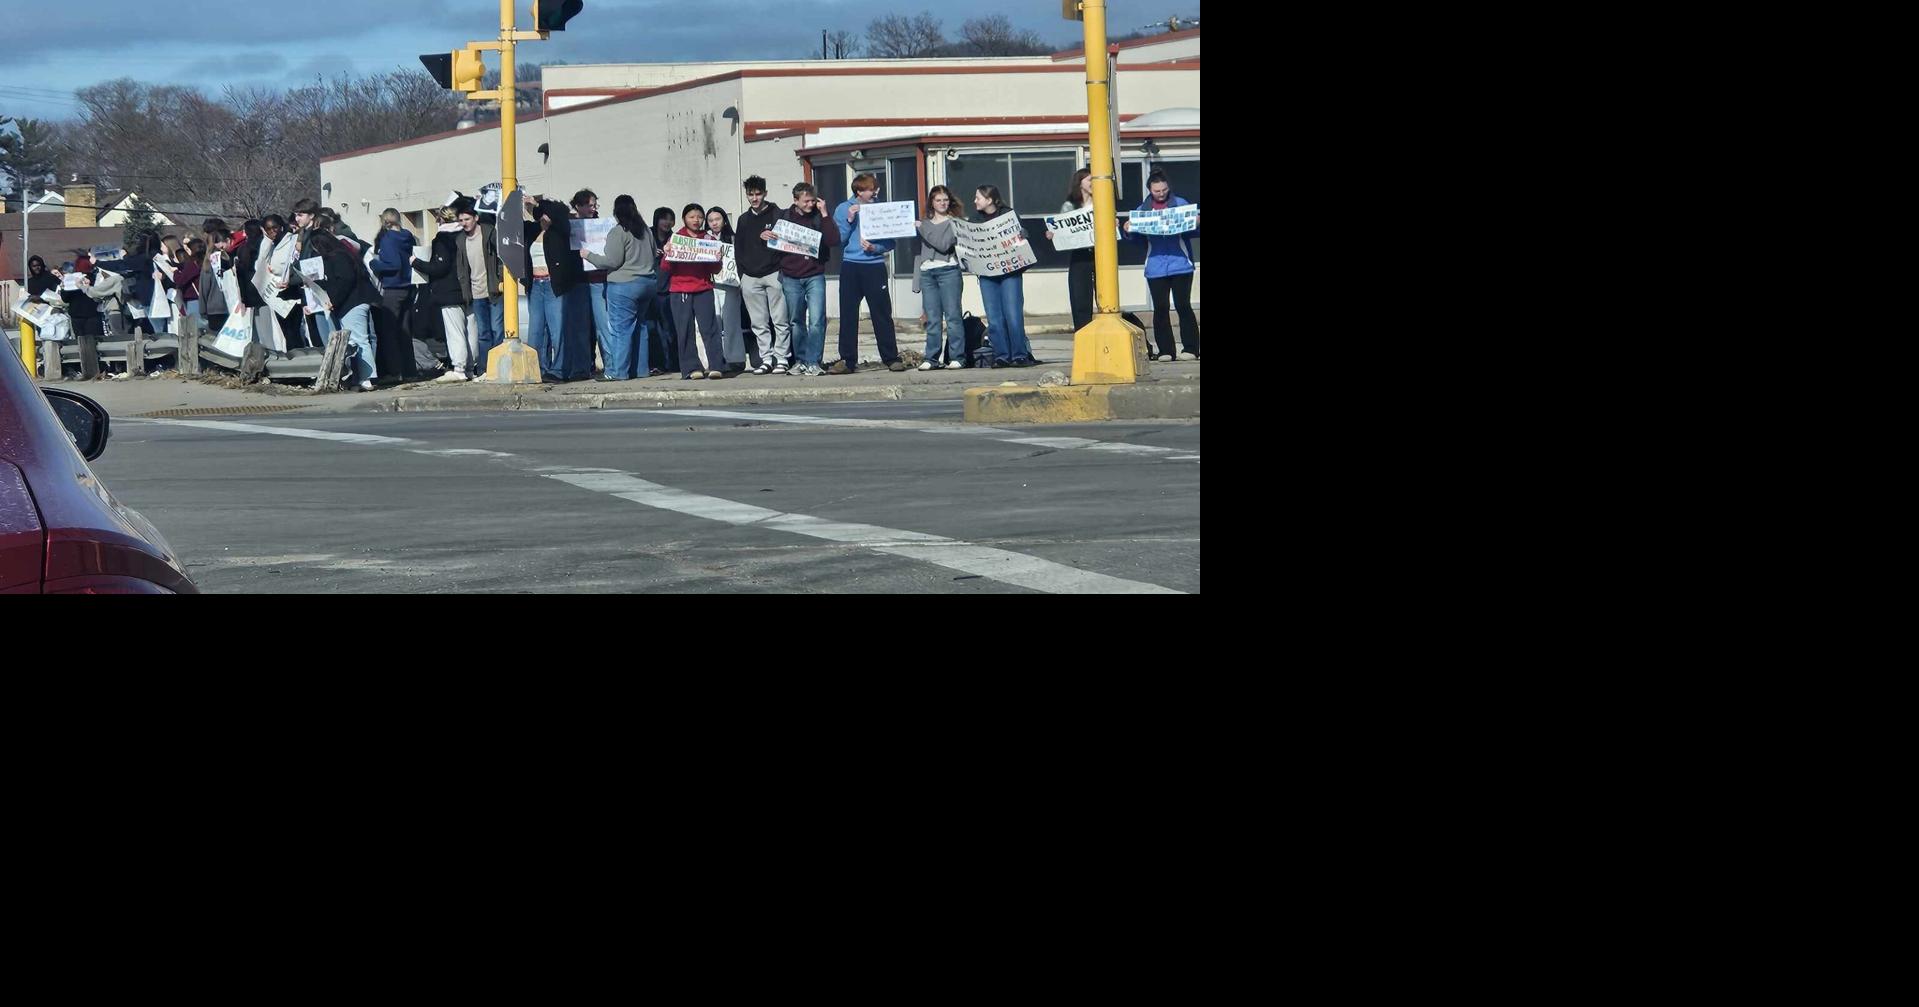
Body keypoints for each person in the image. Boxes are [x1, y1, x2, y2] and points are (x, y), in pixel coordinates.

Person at [831, 172, 904, 373]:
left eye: (876, 188)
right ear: (859, 191)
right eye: (872, 189)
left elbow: (891, 242)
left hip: (874, 265)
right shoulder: (843, 208)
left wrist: (875, 248)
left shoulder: (881, 209)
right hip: (851, 265)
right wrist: (849, 219)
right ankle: (847, 360)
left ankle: (890, 357)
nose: (875, 192)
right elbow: (839, 239)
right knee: (848, 314)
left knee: (881, 313)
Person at [1123, 169, 1200, 361]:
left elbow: (1193, 231)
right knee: (1161, 308)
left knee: (1183, 306)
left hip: (1181, 264)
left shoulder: (1180, 204)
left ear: (1168, 188)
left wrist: (1197, 222)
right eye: (1157, 191)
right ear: (1150, 190)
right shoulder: (1143, 210)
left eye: (1164, 190)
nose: (1161, 193)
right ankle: (1166, 350)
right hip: (1156, 266)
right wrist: (1128, 230)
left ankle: (1191, 348)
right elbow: (1137, 240)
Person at [581, 194, 659, 381]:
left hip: (624, 285)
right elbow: (654, 254)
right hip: (647, 282)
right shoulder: (646, 231)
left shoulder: (619, 231)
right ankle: (640, 371)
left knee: (620, 330)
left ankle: (618, 372)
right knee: (640, 327)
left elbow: (612, 261)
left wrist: (588, 255)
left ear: (617, 212)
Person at [771, 182, 838, 376]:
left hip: (814, 275)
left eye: (812, 200)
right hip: (791, 276)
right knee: (796, 321)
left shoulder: (818, 217)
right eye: (806, 201)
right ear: (796, 201)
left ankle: (814, 361)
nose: (810, 204)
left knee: (817, 320)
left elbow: (833, 240)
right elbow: (772, 242)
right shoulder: (783, 217)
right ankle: (800, 360)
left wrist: (825, 213)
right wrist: (766, 236)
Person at [524, 195, 591, 382]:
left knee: (558, 330)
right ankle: (538, 368)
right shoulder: (532, 230)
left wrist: (538, 203)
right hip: (536, 285)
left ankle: (560, 369)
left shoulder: (559, 230)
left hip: (553, 284)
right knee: (536, 331)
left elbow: (559, 211)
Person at [306, 226, 381, 389]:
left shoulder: (337, 257)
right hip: (354, 300)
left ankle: (367, 377)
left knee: (358, 339)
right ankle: (362, 376)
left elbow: (344, 282)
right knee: (357, 339)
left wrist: (334, 300)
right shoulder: (342, 254)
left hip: (353, 302)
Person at [969, 185, 1035, 367]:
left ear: (989, 200)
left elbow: (1020, 239)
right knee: (994, 317)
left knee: (1013, 315)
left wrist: (1023, 235)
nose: (975, 201)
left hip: (1009, 272)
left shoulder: (1008, 215)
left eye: (978, 198)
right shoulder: (974, 220)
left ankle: (1019, 354)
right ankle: (1001, 355)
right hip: (987, 274)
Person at [662, 203, 726, 380]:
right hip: (680, 290)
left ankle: (716, 366)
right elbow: (665, 267)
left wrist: (717, 258)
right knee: (684, 331)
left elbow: (715, 269)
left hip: (703, 288)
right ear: (684, 219)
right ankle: (691, 368)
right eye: (692, 217)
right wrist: (667, 252)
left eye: (699, 217)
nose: (696, 220)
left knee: (710, 328)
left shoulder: (708, 239)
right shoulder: (676, 238)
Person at [735, 175, 792, 375]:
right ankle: (766, 358)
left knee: (780, 319)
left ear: (765, 193)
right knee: (758, 322)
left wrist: (774, 238)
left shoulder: (778, 214)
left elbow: (790, 240)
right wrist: (743, 276)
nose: (754, 198)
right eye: (750, 194)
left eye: (758, 194)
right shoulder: (743, 219)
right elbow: (738, 249)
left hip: (774, 272)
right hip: (750, 277)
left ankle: (782, 358)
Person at [417, 205, 475, 382]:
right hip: (469, 289)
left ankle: (459, 368)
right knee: (471, 330)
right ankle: (472, 367)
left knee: (455, 331)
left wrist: (415, 262)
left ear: (442, 219)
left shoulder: (442, 239)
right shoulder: (465, 235)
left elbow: (439, 267)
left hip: (448, 291)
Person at [451, 197, 505, 376]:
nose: (464, 223)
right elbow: (462, 268)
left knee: (498, 330)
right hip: (476, 293)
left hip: (494, 290)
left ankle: (499, 367)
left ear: (475, 218)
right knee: (483, 334)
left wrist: (499, 279)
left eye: (467, 219)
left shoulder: (489, 233)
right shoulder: (460, 240)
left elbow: (500, 258)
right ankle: (484, 369)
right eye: (461, 220)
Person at [915, 184, 966, 370]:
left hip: (949, 271)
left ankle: (957, 357)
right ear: (932, 202)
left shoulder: (955, 222)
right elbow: (919, 253)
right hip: (928, 273)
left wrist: (923, 230)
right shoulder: (924, 223)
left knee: (953, 316)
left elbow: (944, 245)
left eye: (945, 200)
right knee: (932, 318)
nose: (942, 203)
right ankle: (931, 358)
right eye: (938, 200)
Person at [371, 207, 418, 381]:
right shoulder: (408, 236)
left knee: (389, 331)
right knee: (405, 331)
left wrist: (374, 264)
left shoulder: (388, 239)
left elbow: (393, 264)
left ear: (385, 222)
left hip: (393, 287)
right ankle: (409, 371)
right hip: (409, 286)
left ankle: (394, 371)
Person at [1047, 168, 1096, 332]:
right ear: (1080, 183)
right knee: (1080, 299)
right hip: (1080, 256)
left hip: (1101, 254)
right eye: (1090, 180)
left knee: (1106, 298)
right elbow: (1061, 230)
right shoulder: (1069, 206)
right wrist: (1054, 234)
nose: (1093, 184)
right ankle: (1083, 334)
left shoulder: (1102, 202)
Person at [570, 189, 611, 376]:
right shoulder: (570, 225)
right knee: (582, 327)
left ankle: (610, 364)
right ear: (578, 206)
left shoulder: (601, 224)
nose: (593, 209)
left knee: (603, 325)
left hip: (597, 279)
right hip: (578, 280)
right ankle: (585, 365)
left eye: (595, 205)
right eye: (589, 205)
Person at [706, 206, 748, 373]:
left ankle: (735, 358)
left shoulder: (732, 238)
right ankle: (713, 360)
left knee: (732, 322)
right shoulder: (704, 239)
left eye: (717, 219)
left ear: (724, 220)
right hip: (710, 284)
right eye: (711, 220)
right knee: (712, 322)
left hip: (730, 285)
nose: (714, 223)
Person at [648, 205, 680, 374]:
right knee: (652, 329)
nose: (667, 222)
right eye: (664, 218)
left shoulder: (675, 238)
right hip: (650, 288)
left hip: (669, 288)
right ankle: (656, 364)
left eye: (670, 219)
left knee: (671, 329)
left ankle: (674, 364)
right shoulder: (647, 235)